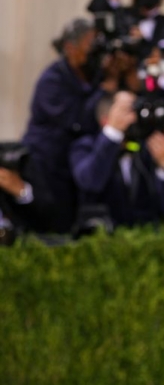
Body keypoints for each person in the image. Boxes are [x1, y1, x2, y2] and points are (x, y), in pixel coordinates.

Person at [21, 18, 109, 233]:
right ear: (70, 48)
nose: (95, 53)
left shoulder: (93, 77)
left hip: (72, 172)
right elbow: (78, 121)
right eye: (91, 45)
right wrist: (105, 89)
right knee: (51, 226)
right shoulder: (52, 80)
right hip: (45, 169)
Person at [69, 91, 164, 230]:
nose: (135, 117)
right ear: (106, 119)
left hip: (144, 237)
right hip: (101, 236)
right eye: (128, 111)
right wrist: (113, 134)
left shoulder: (146, 148)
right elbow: (91, 182)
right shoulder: (85, 146)